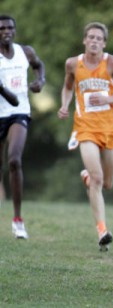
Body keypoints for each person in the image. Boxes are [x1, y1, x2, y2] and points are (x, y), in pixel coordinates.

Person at [58, 22, 113, 251]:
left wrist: (108, 100)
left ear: (104, 43)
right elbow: (68, 87)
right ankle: (102, 230)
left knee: (107, 183)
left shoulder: (112, 63)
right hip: (85, 128)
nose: (94, 41)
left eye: (98, 38)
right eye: (90, 37)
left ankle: (87, 178)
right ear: (84, 40)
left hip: (110, 127)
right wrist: (64, 105)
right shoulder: (73, 64)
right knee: (98, 178)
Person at [0, 15, 46, 239]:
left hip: (18, 113)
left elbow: (39, 66)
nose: (6, 31)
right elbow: (6, 95)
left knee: (14, 160)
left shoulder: (24, 52)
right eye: (1, 28)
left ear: (14, 30)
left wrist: (41, 81)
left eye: (9, 28)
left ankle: (18, 220)